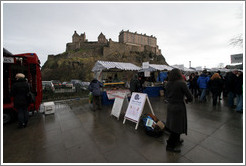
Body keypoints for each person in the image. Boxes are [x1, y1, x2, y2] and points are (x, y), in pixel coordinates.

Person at [165, 68, 193, 153]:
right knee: (176, 126)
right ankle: (170, 145)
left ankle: (176, 140)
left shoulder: (168, 83)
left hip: (170, 106)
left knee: (174, 125)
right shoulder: (181, 83)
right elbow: (190, 97)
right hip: (178, 107)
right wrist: (188, 100)